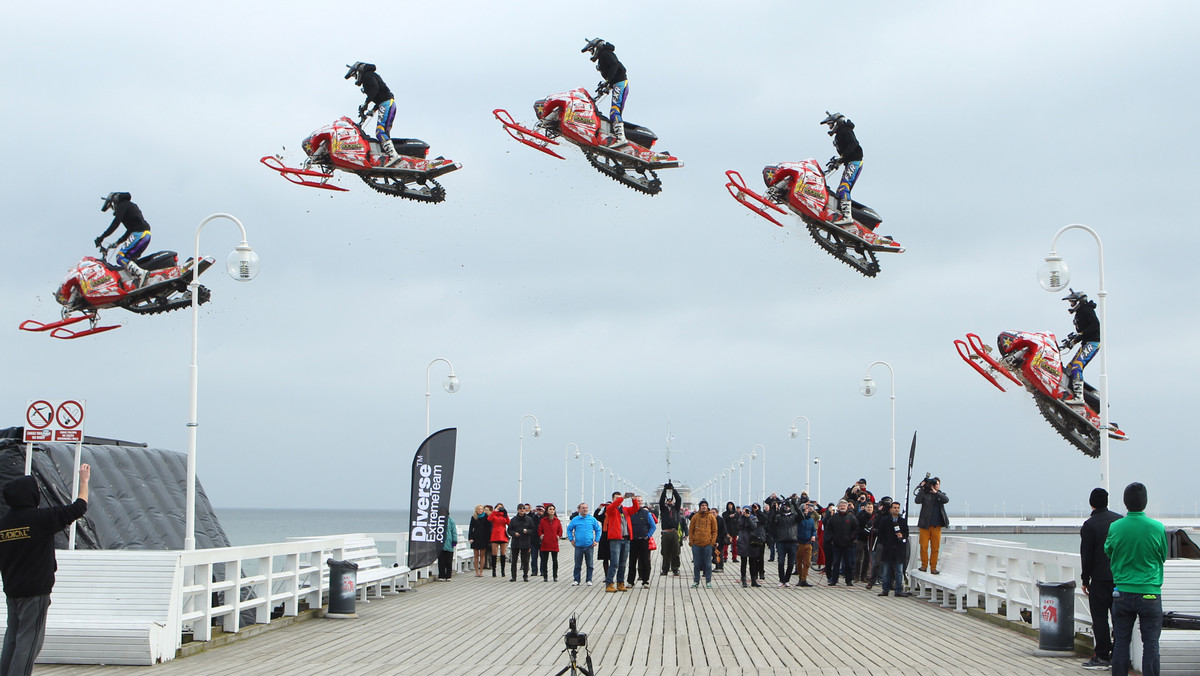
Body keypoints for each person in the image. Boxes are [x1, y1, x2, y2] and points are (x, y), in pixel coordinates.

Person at [0, 464, 90, 676]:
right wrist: (84, 481)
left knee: (12, 639)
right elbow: (79, 507)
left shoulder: (3, 525)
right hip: (36, 592)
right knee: (30, 642)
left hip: (13, 591)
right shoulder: (41, 519)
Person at [1106, 482, 1168, 676]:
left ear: (1125, 502)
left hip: (1122, 592)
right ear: (1145, 502)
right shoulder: (1157, 527)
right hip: (1150, 592)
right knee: (1151, 643)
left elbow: (1108, 550)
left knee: (1121, 642)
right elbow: (1162, 555)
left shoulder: (1115, 527)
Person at [1080, 487, 1122, 670]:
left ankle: (1102, 655)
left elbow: (1086, 555)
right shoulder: (1120, 521)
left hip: (1099, 579)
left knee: (1100, 619)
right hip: (1120, 578)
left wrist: (1085, 580)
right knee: (1119, 618)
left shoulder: (1090, 525)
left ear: (1091, 503)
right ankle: (1120, 654)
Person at [344, 61, 401, 166]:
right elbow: (379, 94)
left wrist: (366, 103)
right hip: (387, 103)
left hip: (386, 103)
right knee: (384, 132)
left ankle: (394, 156)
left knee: (380, 131)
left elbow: (375, 89)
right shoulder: (371, 76)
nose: (356, 78)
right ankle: (389, 156)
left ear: (359, 71)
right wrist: (372, 110)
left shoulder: (368, 76)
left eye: (355, 75)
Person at [96, 192, 151, 288]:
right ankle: (136, 281)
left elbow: (115, 223)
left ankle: (141, 274)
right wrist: (117, 242)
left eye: (112, 206)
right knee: (129, 259)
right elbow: (129, 230)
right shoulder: (131, 206)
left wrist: (102, 237)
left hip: (139, 234)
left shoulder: (122, 205)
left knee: (120, 257)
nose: (113, 209)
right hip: (145, 234)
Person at [581, 38, 629, 148]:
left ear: (596, 48)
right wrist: (607, 84)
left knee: (615, 111)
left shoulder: (606, 53)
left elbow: (614, 65)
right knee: (614, 111)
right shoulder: (604, 56)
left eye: (591, 50)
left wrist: (609, 80)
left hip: (620, 83)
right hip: (617, 83)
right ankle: (614, 135)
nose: (592, 54)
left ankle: (621, 138)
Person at [819, 111, 864, 226]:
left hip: (855, 161)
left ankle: (847, 216)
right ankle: (841, 214)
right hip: (851, 162)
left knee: (844, 188)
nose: (830, 127)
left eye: (831, 124)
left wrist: (843, 157)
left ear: (836, 122)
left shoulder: (845, 131)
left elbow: (853, 144)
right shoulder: (841, 132)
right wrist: (839, 161)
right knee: (840, 190)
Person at [1060, 289, 1100, 405]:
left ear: (1078, 302)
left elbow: (1095, 326)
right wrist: (1074, 340)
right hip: (1086, 343)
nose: (1071, 305)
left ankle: (1079, 397)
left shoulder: (1087, 311)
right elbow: (1083, 332)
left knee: (1077, 366)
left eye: (1072, 302)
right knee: (1068, 369)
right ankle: (1070, 392)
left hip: (1092, 343)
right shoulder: (1080, 313)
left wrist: (1080, 335)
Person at [914, 476, 949, 574]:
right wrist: (922, 488)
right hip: (925, 525)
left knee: (935, 548)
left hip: (936, 526)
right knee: (924, 546)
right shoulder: (925, 494)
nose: (935, 486)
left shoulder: (940, 495)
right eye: (934, 484)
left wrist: (936, 492)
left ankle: (933, 567)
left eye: (937, 484)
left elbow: (946, 500)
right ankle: (924, 565)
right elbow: (917, 500)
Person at [875, 501, 910, 597]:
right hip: (888, 549)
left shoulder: (902, 521)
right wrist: (885, 544)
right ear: (890, 509)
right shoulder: (885, 520)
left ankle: (898, 590)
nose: (896, 509)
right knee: (886, 571)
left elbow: (906, 533)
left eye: (898, 508)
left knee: (899, 571)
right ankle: (885, 589)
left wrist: (902, 536)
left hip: (899, 549)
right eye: (894, 507)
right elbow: (880, 533)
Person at [603, 492, 633, 592]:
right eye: (617, 498)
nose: (619, 500)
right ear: (613, 499)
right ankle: (609, 583)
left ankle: (620, 583)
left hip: (625, 539)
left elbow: (635, 509)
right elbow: (613, 506)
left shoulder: (625, 510)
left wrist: (634, 499)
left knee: (623, 563)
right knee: (614, 563)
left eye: (620, 498)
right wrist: (623, 498)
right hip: (615, 539)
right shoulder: (611, 509)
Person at [566, 503, 601, 586]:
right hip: (578, 546)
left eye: (586, 508)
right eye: (583, 508)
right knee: (577, 564)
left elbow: (598, 530)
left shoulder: (592, 519)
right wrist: (571, 540)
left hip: (589, 545)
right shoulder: (575, 519)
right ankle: (576, 580)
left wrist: (596, 540)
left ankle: (589, 580)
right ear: (579, 509)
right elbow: (569, 529)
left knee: (590, 564)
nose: (585, 509)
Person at [768, 496, 799, 588]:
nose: (786, 508)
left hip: (792, 541)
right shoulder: (778, 516)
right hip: (781, 542)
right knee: (781, 562)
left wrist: (794, 504)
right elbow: (771, 523)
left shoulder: (794, 516)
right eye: (784, 506)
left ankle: (787, 580)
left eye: (787, 506)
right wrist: (774, 509)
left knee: (790, 563)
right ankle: (781, 580)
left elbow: (801, 516)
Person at [825, 500, 858, 586]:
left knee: (849, 563)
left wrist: (851, 538)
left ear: (847, 507)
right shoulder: (833, 518)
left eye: (844, 506)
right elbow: (828, 529)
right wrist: (832, 538)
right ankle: (834, 580)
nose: (842, 507)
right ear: (838, 507)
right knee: (836, 563)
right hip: (836, 544)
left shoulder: (851, 518)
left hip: (848, 544)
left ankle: (849, 580)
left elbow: (856, 529)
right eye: (841, 506)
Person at [626, 497, 656, 588]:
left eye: (641, 501)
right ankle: (630, 581)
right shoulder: (630, 512)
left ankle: (645, 581)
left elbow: (653, 526)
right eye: (637, 501)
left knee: (645, 561)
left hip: (643, 540)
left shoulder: (647, 513)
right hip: (633, 540)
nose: (639, 502)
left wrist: (648, 536)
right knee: (632, 562)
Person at [688, 499, 718, 588]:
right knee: (696, 564)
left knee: (708, 564)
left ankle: (708, 581)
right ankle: (696, 581)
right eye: (702, 505)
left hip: (707, 544)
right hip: (696, 544)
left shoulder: (711, 517)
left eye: (705, 505)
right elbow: (691, 530)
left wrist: (712, 542)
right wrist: (691, 541)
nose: (704, 507)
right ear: (700, 507)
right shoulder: (695, 517)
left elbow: (714, 531)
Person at [507, 503, 537, 582]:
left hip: (525, 542)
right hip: (516, 542)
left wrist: (527, 531)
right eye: (520, 508)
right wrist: (514, 534)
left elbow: (533, 530)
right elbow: (509, 530)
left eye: (523, 508)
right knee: (514, 560)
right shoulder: (513, 519)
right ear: (518, 510)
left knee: (525, 560)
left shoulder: (528, 519)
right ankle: (513, 576)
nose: (522, 510)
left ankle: (525, 576)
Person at [658, 483, 683, 576]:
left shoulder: (676, 509)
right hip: (665, 533)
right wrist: (665, 490)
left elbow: (679, 499)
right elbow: (661, 501)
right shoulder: (663, 509)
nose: (669, 501)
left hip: (674, 532)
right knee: (665, 552)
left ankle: (675, 569)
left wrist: (673, 490)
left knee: (675, 551)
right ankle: (665, 569)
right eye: (667, 500)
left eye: (671, 500)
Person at [538, 504, 563, 582]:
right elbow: (539, 530)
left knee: (555, 560)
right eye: (550, 509)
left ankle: (555, 576)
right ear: (547, 511)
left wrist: (558, 536)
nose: (552, 511)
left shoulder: (557, 520)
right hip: (545, 542)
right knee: (544, 560)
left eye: (553, 509)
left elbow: (560, 530)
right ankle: (545, 576)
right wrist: (542, 536)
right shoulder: (543, 520)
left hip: (554, 542)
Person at [796, 501, 817, 587]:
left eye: (808, 509)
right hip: (800, 543)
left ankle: (804, 579)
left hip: (808, 543)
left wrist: (814, 536)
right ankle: (800, 579)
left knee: (807, 562)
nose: (807, 510)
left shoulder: (811, 520)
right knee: (799, 562)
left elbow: (813, 530)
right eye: (805, 509)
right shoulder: (799, 519)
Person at [486, 503, 510, 577]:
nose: (500, 509)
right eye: (498, 507)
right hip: (495, 534)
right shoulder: (494, 515)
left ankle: (503, 571)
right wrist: (494, 511)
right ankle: (494, 570)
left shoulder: (504, 515)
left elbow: (509, 523)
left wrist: (506, 514)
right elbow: (489, 519)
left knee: (503, 554)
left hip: (503, 535)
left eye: (501, 507)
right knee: (494, 554)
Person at [855, 501, 875, 582]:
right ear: (865, 508)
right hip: (861, 539)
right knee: (858, 558)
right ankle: (856, 576)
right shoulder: (860, 516)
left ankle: (864, 576)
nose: (869, 509)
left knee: (867, 559)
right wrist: (864, 532)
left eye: (871, 507)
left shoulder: (874, 517)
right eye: (868, 507)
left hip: (870, 540)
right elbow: (857, 527)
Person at [468, 505, 491, 577]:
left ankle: (481, 571)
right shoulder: (474, 517)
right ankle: (476, 571)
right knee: (476, 555)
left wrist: (488, 538)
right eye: (478, 509)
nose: (480, 510)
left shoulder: (486, 517)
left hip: (483, 538)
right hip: (475, 537)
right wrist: (470, 538)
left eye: (481, 509)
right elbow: (471, 528)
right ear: (476, 510)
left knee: (482, 555)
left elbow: (489, 528)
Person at [436, 515, 457, 580]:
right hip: (440, 543)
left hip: (449, 542)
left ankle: (448, 575)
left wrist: (454, 540)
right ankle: (441, 575)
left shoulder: (451, 521)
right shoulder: (437, 521)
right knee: (441, 561)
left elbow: (454, 532)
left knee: (448, 561)